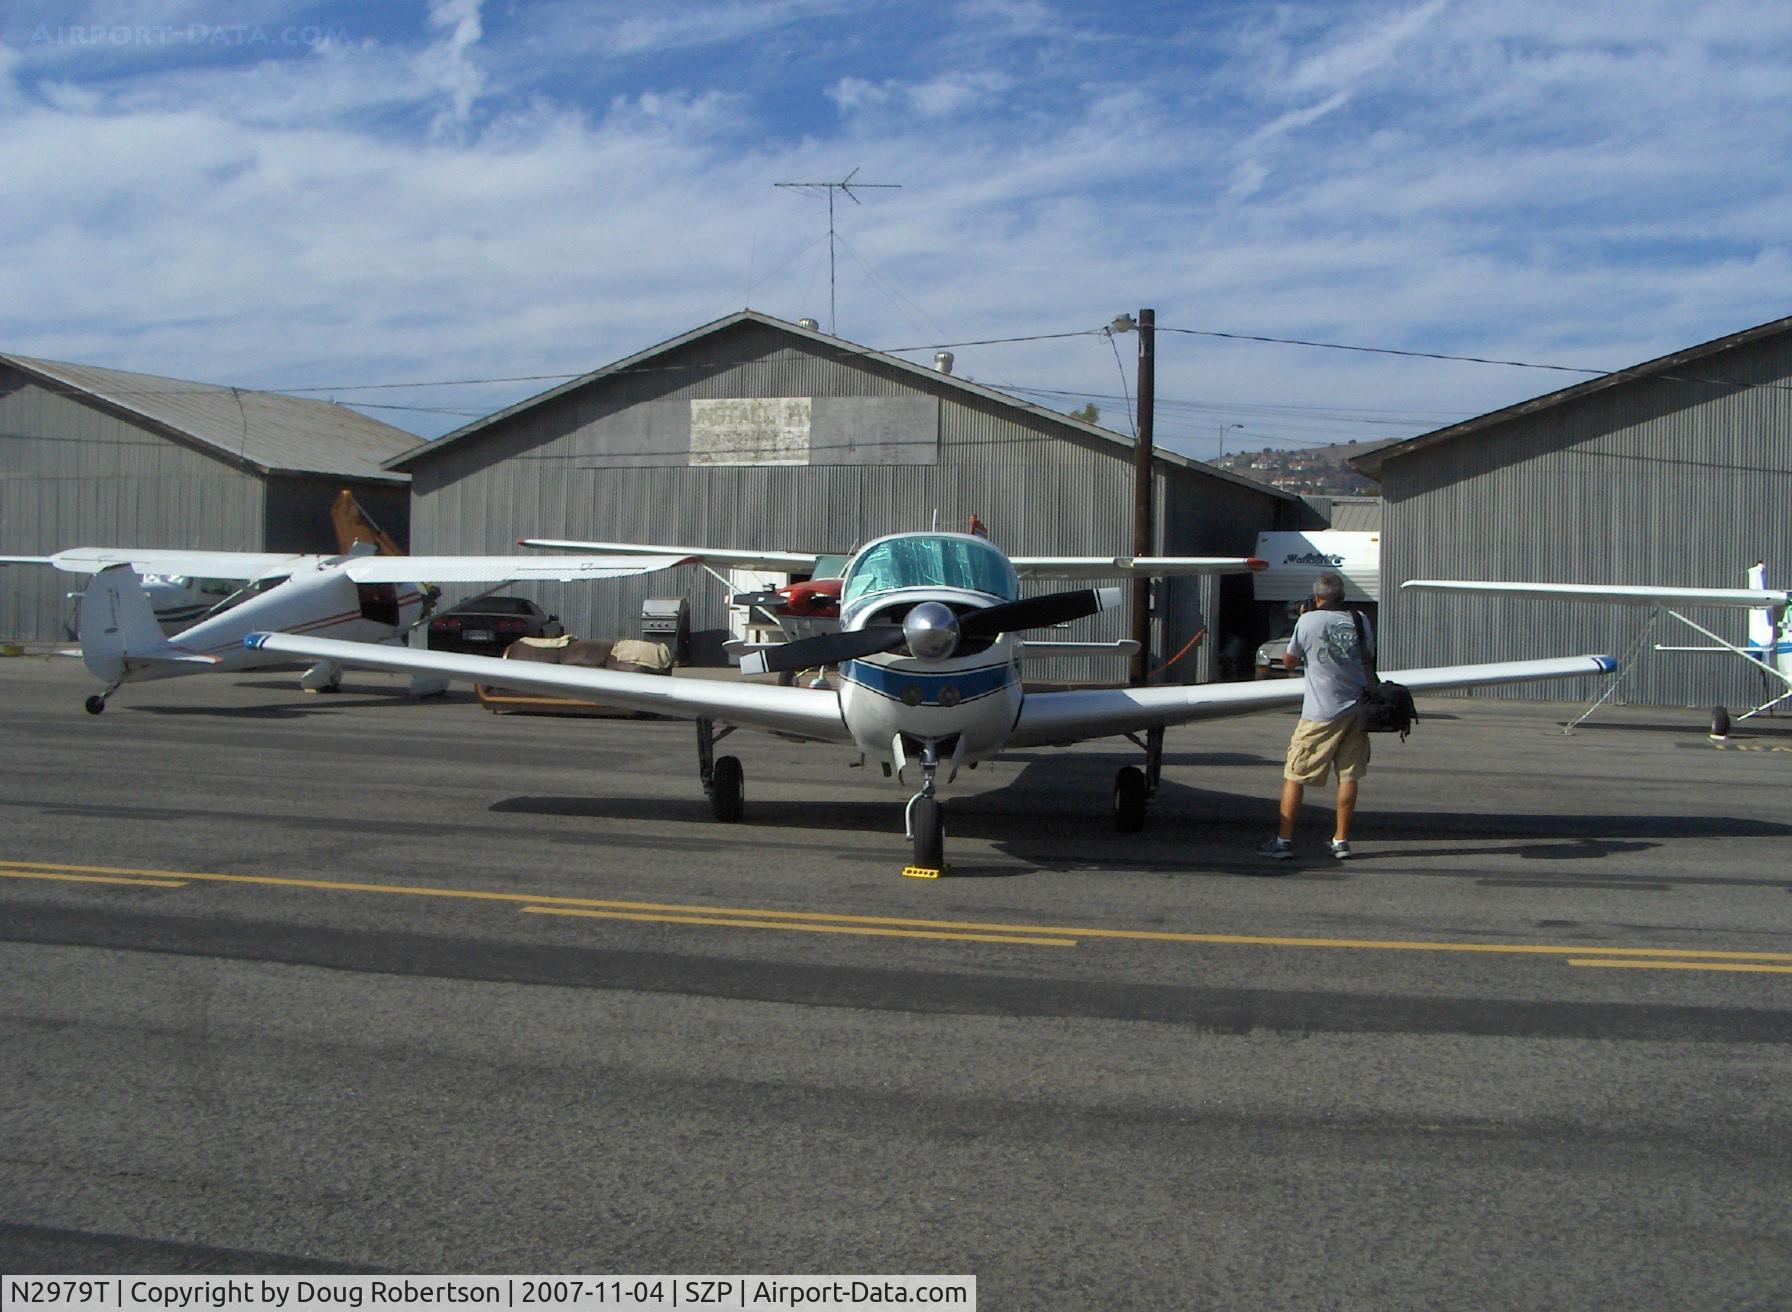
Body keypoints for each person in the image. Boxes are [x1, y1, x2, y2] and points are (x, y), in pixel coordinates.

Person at [1259, 572, 1372, 861]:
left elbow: (1289, 660)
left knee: (1295, 773)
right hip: (1357, 709)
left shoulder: (1308, 621)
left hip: (1320, 712)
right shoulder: (1360, 619)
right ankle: (1341, 840)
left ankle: (1284, 840)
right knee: (1348, 775)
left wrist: (1303, 620)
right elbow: (1368, 654)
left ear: (1317, 596)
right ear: (1342, 595)